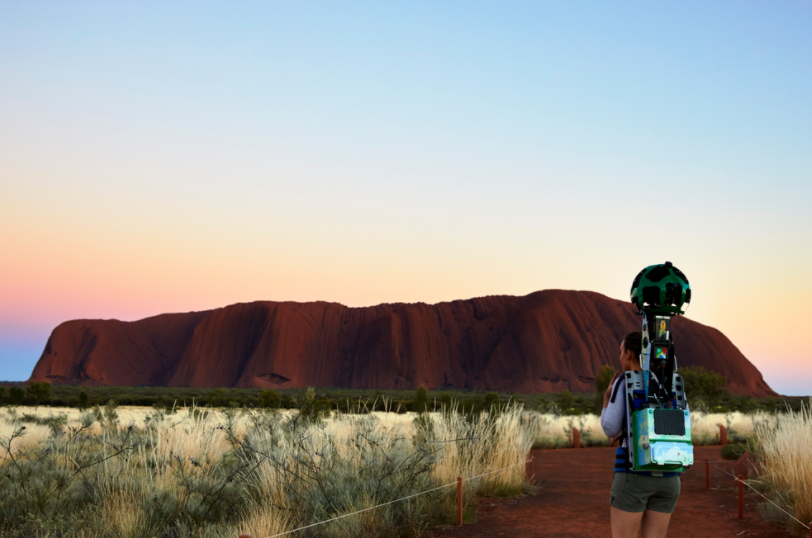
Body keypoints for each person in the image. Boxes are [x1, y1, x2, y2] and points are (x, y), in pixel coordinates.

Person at [601, 332, 682, 538]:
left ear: (628, 354)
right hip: (670, 475)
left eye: (621, 352)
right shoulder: (672, 383)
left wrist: (606, 400)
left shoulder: (625, 382)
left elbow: (610, 429)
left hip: (634, 473)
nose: (620, 356)